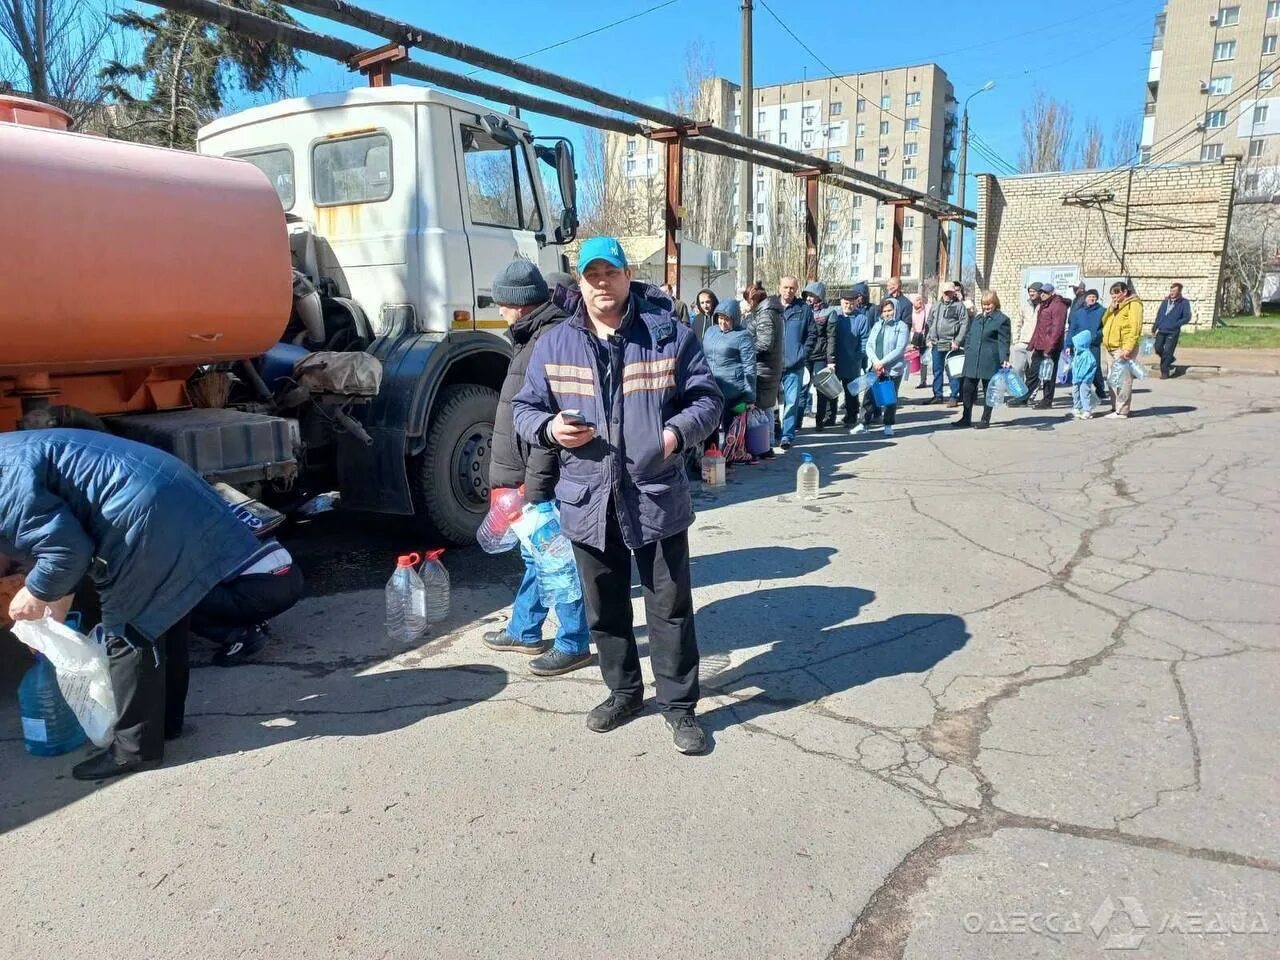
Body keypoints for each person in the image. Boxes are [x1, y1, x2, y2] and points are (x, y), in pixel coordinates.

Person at [512, 237, 722, 754]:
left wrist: (673, 435)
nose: (601, 282)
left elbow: (708, 399)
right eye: (591, 274)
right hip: (587, 498)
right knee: (604, 607)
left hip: (654, 492)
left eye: (610, 272)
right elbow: (524, 408)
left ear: (628, 276)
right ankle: (623, 692)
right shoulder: (554, 343)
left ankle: (679, 707)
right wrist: (550, 429)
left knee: (670, 608)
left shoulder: (667, 335)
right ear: (579, 282)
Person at [1, 430, 302, 781]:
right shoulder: (9, 454)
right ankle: (166, 725)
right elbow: (64, 542)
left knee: (128, 629)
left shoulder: (4, 485)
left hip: (142, 508)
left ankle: (134, 751)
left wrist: (35, 591)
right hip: (172, 487)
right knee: (165, 613)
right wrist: (55, 596)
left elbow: (67, 551)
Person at [482, 260, 591, 677]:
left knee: (556, 561)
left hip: (538, 482)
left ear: (517, 303)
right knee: (536, 557)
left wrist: (535, 488)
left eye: (501, 303)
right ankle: (525, 629)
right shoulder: (533, 336)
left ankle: (573, 641)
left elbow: (551, 427)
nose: (499, 310)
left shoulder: (548, 341)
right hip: (526, 477)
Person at [952, 291, 1011, 430]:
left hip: (989, 360)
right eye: (984, 304)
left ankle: (985, 419)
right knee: (967, 389)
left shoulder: (1002, 320)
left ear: (995, 303)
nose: (986, 307)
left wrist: (1004, 358)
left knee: (988, 390)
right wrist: (967, 349)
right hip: (972, 359)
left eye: (989, 304)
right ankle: (966, 418)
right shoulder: (978, 319)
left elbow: (1004, 341)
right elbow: (970, 335)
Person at [854, 298, 909, 437]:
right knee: (869, 395)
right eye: (884, 311)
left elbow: (899, 349)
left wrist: (882, 363)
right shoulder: (878, 325)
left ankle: (888, 424)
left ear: (895, 310)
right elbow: (869, 345)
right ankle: (863, 422)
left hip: (892, 368)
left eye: (890, 310)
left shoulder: (901, 326)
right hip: (875, 366)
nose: (887, 313)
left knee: (889, 396)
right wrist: (875, 361)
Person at [702, 298, 757, 435]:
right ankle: (711, 454)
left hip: (733, 392)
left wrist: (749, 397)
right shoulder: (710, 331)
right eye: (720, 318)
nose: (722, 322)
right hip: (711, 388)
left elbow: (749, 366)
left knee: (732, 426)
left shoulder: (743, 336)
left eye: (727, 319)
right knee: (710, 426)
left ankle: (733, 454)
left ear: (735, 318)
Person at [777, 275, 816, 449]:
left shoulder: (804, 309)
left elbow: (812, 334)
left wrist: (802, 354)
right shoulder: (772, 307)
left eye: (792, 288)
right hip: (774, 364)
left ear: (797, 289)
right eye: (785, 287)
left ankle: (787, 435)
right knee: (770, 403)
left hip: (795, 364)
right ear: (779, 288)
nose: (789, 291)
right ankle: (774, 432)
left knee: (792, 401)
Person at [826, 283, 872, 428]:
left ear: (856, 303)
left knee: (851, 391)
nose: (848, 306)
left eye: (851, 304)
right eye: (846, 303)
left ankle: (851, 416)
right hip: (836, 361)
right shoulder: (835, 316)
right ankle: (830, 417)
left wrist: (858, 356)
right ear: (841, 303)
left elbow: (865, 340)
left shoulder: (861, 319)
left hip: (853, 363)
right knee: (832, 391)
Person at [744, 284, 782, 453]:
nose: (747, 304)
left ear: (754, 299)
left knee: (761, 407)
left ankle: (765, 445)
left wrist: (746, 350)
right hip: (768, 367)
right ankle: (767, 443)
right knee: (765, 406)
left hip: (763, 368)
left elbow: (765, 344)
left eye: (748, 300)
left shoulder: (765, 315)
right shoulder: (768, 312)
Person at [1100, 280, 1144, 419]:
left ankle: (1123, 410)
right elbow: (1103, 321)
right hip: (1110, 347)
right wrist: (1110, 309)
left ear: (1125, 292)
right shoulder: (1116, 306)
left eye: (1116, 293)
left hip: (1122, 347)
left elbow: (1134, 327)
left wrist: (1128, 348)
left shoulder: (1133, 305)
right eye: (1112, 294)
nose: (1114, 296)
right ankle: (1115, 407)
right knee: (1112, 378)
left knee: (1124, 379)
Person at [1024, 282, 1068, 410]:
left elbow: (1057, 329)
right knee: (1033, 372)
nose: (1043, 294)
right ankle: (1024, 396)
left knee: (1048, 375)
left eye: (1046, 293)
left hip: (1051, 347)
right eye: (1041, 292)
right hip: (1039, 344)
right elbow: (1039, 327)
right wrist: (1032, 344)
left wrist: (1049, 349)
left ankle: (1047, 400)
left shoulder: (1058, 305)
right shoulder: (1044, 305)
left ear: (1052, 293)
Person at [925, 285, 969, 407]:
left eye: (950, 292)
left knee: (953, 371)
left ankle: (954, 397)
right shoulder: (936, 305)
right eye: (945, 292)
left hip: (951, 344)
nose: (947, 295)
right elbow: (929, 322)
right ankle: (937, 395)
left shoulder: (959, 306)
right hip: (936, 343)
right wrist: (928, 337)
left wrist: (958, 341)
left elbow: (964, 324)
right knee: (937, 370)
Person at [801, 281, 836, 429]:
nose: (809, 298)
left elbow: (831, 337)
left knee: (822, 389)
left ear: (819, 296)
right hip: (805, 355)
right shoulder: (802, 310)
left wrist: (831, 360)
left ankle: (820, 421)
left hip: (821, 356)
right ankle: (797, 422)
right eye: (807, 295)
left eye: (812, 295)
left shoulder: (829, 312)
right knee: (802, 388)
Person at [1068, 288, 1108, 401]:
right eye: (1090, 296)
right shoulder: (1078, 312)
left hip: (1093, 344)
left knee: (1095, 367)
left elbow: (1105, 328)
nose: (1092, 298)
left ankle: (1100, 388)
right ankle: (1083, 390)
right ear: (1085, 298)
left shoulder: (1102, 311)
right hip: (1080, 346)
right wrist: (1068, 344)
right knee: (1080, 368)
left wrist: (1097, 336)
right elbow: (1072, 329)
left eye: (1094, 297)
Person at [1153, 282, 1191, 379]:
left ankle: (1165, 372)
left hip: (1173, 331)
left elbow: (1187, 317)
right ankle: (1170, 359)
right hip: (1162, 329)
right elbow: (1159, 315)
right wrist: (1155, 327)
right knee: (1157, 348)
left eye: (1174, 291)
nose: (1172, 293)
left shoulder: (1184, 302)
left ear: (1179, 292)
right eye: (1171, 290)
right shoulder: (1165, 301)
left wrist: (1176, 324)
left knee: (1167, 351)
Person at [1012, 281, 1042, 391]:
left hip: (1035, 344)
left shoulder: (1043, 306)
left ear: (1039, 292)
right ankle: (1019, 391)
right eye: (1030, 291)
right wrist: (1016, 339)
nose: (1031, 293)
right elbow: (1018, 323)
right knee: (1017, 369)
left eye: (1034, 291)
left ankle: (1032, 392)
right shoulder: (1025, 306)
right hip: (1022, 342)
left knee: (1033, 371)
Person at [1069, 329, 1099, 421]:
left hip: (1084, 380)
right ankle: (1077, 407)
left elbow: (1086, 369)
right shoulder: (1078, 354)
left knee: (1084, 393)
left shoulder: (1086, 355)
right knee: (1076, 393)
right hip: (1077, 379)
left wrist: (1080, 377)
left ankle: (1087, 410)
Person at [910, 293, 929, 389]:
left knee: (924, 359)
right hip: (916, 338)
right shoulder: (911, 312)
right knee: (919, 359)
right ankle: (921, 379)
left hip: (926, 338)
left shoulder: (926, 310)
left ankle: (923, 380)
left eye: (920, 299)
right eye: (917, 300)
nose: (920, 301)